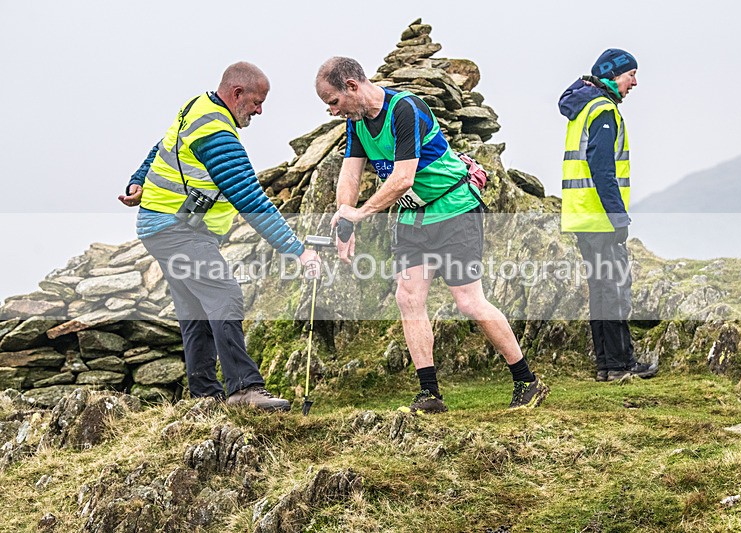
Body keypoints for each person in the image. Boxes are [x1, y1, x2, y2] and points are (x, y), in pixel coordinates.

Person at [315, 56, 549, 413]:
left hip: (454, 209)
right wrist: (345, 219)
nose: (333, 111)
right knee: (408, 297)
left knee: (468, 302)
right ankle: (430, 395)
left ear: (351, 86)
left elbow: (403, 178)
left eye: (333, 101)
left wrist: (361, 214)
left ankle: (526, 381)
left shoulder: (405, 109)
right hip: (413, 217)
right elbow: (350, 174)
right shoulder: (357, 122)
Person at [119, 62, 319, 410]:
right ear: (237, 93)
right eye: (257, 102)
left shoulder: (198, 107)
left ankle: (205, 398)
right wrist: (298, 251)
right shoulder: (217, 135)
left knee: (195, 310)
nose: (259, 111)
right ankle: (244, 389)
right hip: (176, 229)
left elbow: (160, 146)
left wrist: (138, 179)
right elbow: (251, 199)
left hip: (162, 227)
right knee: (224, 294)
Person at [558, 49, 657, 382]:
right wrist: (618, 217)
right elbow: (602, 169)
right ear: (614, 75)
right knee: (614, 290)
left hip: (583, 217)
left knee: (601, 290)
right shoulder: (603, 110)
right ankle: (620, 365)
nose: (634, 83)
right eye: (631, 75)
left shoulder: (584, 107)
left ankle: (607, 365)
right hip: (600, 218)